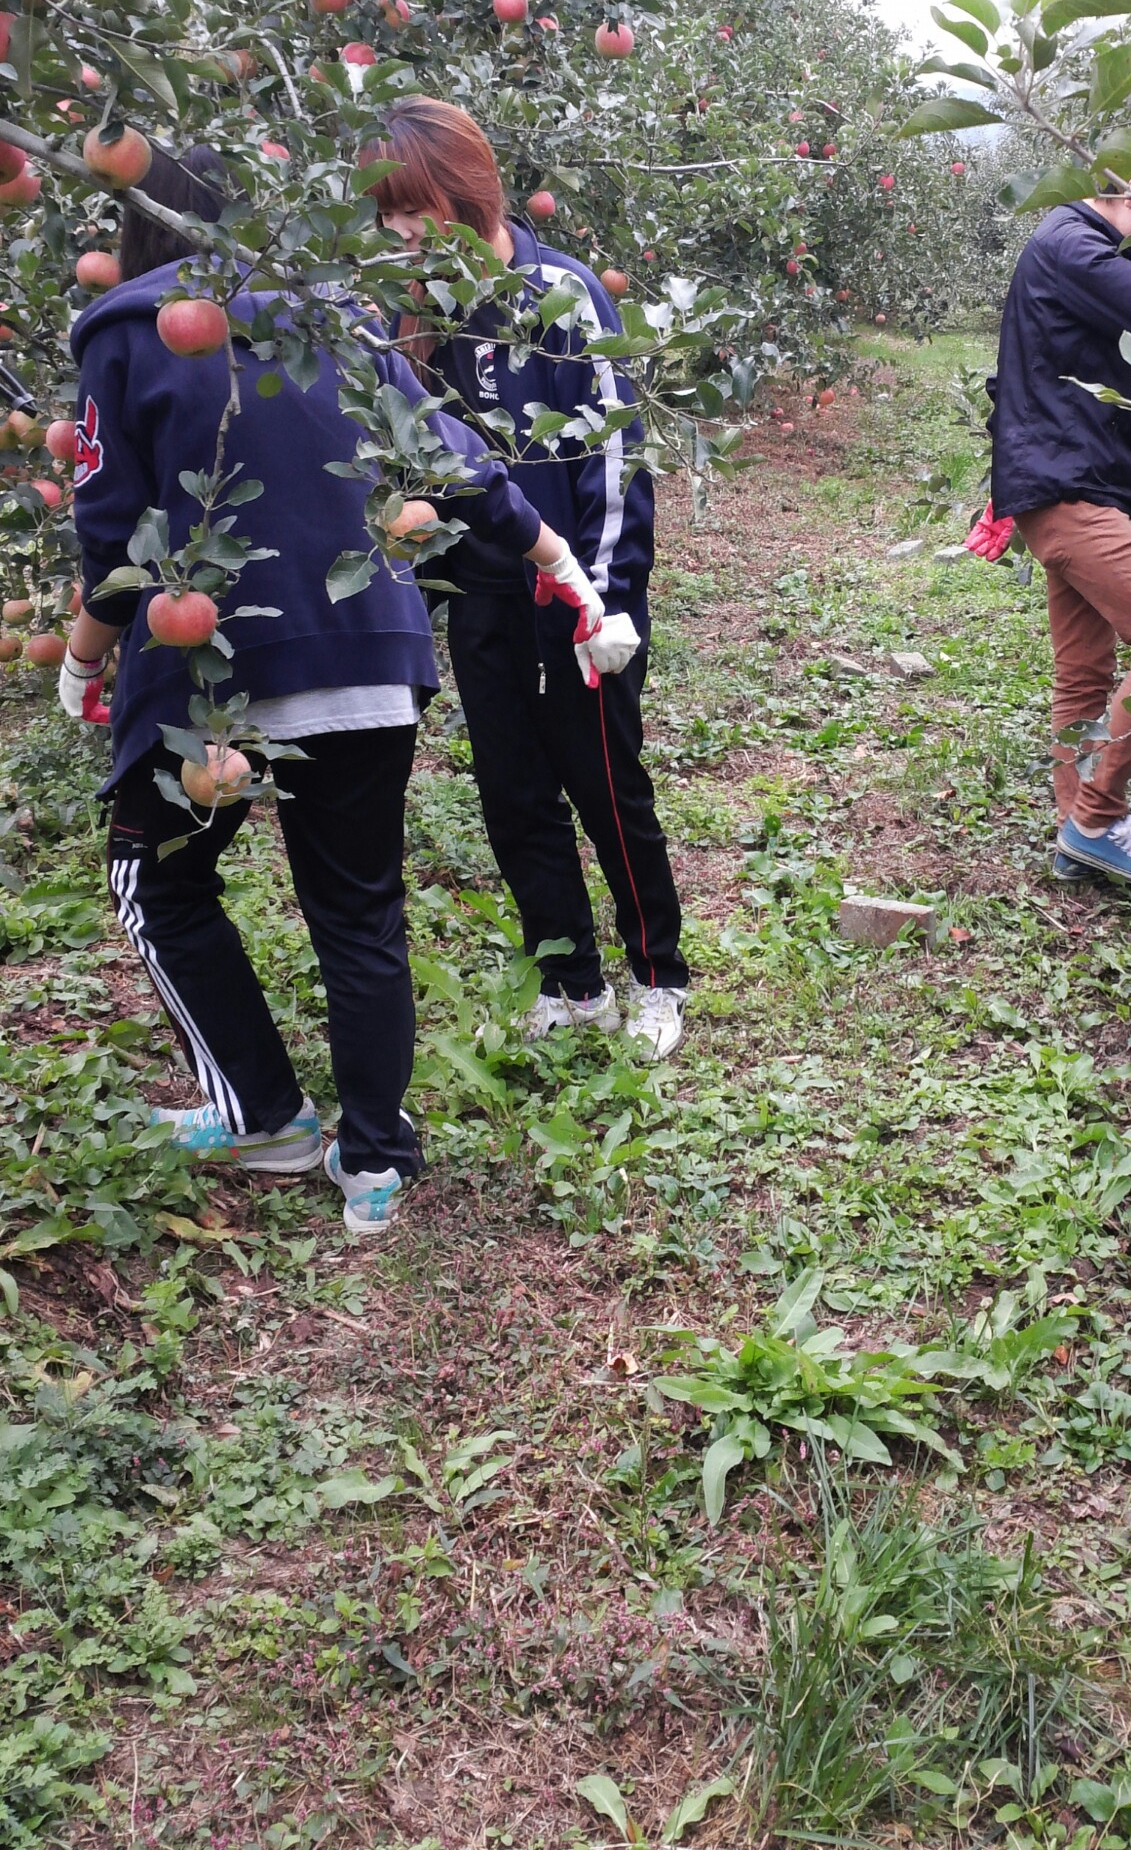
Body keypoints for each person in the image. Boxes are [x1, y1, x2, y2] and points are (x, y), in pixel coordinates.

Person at [59, 146, 605, 1234]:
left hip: (223, 673)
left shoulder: (128, 331)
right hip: (367, 650)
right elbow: (455, 457)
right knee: (359, 908)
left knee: (154, 883)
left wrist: (80, 661)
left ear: (141, 225)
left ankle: (264, 1113)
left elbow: (112, 536)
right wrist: (557, 557)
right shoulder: (336, 317)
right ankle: (375, 1164)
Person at [365, 99, 689, 1058]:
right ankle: (570, 980)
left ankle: (657, 977)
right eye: (386, 215)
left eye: (413, 209)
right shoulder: (417, 314)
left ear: (465, 193)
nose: (401, 231)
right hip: (483, 596)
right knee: (513, 798)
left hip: (578, 599)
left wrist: (607, 596)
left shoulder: (563, 293)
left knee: (607, 790)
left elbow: (615, 456)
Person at [988, 177, 1131, 888]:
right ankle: (1096, 819)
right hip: (1069, 489)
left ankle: (1077, 833)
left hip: (1060, 483)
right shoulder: (1076, 247)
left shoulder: (1063, 243)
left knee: (1084, 672)